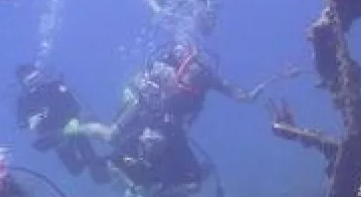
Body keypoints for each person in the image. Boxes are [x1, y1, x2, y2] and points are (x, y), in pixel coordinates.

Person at [66, 43, 299, 145]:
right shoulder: (170, 67)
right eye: (191, 70)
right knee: (111, 137)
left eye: (199, 72)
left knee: (156, 149)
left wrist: (273, 79)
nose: (193, 74)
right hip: (143, 104)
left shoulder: (209, 79)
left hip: (168, 119)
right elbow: (143, 79)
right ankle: (77, 127)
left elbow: (244, 97)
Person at [14, 64, 110, 184]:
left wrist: (74, 121)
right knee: (74, 169)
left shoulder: (54, 85)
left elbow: (74, 103)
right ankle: (104, 165)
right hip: (55, 136)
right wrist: (31, 122)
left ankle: (106, 176)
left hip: (73, 126)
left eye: (36, 77)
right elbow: (22, 124)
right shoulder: (24, 100)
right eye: (31, 80)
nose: (36, 82)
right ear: (24, 83)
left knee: (89, 156)